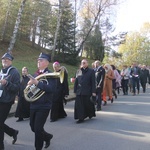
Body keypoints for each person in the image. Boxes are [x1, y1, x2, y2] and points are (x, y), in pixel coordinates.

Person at [27, 52, 56, 150]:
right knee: (33, 127)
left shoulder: (52, 75)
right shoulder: (35, 74)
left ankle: (38, 148)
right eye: (38, 60)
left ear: (47, 63)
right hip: (34, 104)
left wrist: (37, 83)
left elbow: (51, 89)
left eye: (41, 60)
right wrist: (29, 86)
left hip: (44, 105)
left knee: (38, 129)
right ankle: (47, 137)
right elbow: (31, 91)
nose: (38, 61)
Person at [0, 52, 20, 150]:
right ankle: (12, 132)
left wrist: (7, 83)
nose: (5, 60)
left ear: (11, 61)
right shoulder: (1, 71)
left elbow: (17, 88)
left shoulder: (14, 72)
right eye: (3, 59)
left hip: (7, 101)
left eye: (7, 59)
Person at [74, 59, 96, 123]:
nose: (83, 64)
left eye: (84, 63)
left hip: (87, 91)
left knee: (87, 104)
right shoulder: (78, 71)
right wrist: (75, 90)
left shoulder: (91, 71)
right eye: (82, 63)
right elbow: (76, 81)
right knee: (79, 105)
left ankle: (90, 114)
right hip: (79, 91)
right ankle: (81, 118)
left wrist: (93, 91)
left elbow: (93, 82)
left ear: (87, 64)